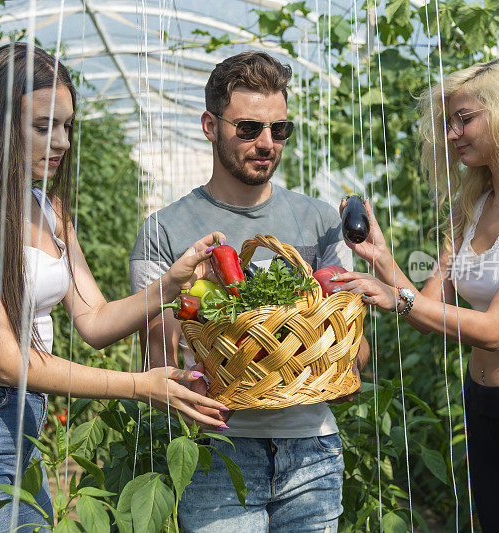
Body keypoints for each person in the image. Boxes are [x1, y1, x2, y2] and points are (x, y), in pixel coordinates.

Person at [0, 43, 229, 532]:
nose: (62, 143)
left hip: (24, 423)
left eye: (67, 126)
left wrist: (171, 282)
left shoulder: (50, 211)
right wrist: (140, 386)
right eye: (43, 126)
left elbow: (94, 322)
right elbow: (6, 358)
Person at [333, 55, 499, 531]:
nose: (452, 134)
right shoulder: (473, 208)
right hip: (483, 409)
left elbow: (496, 330)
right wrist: (382, 259)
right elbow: (429, 305)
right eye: (449, 122)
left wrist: (401, 298)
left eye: (465, 119)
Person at [130, 51, 370, 532]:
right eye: (248, 129)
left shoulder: (322, 222)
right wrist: (205, 303)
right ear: (209, 125)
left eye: (279, 130)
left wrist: (335, 360)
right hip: (219, 450)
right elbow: (158, 358)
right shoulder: (165, 231)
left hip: (312, 449)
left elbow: (356, 344)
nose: (266, 143)